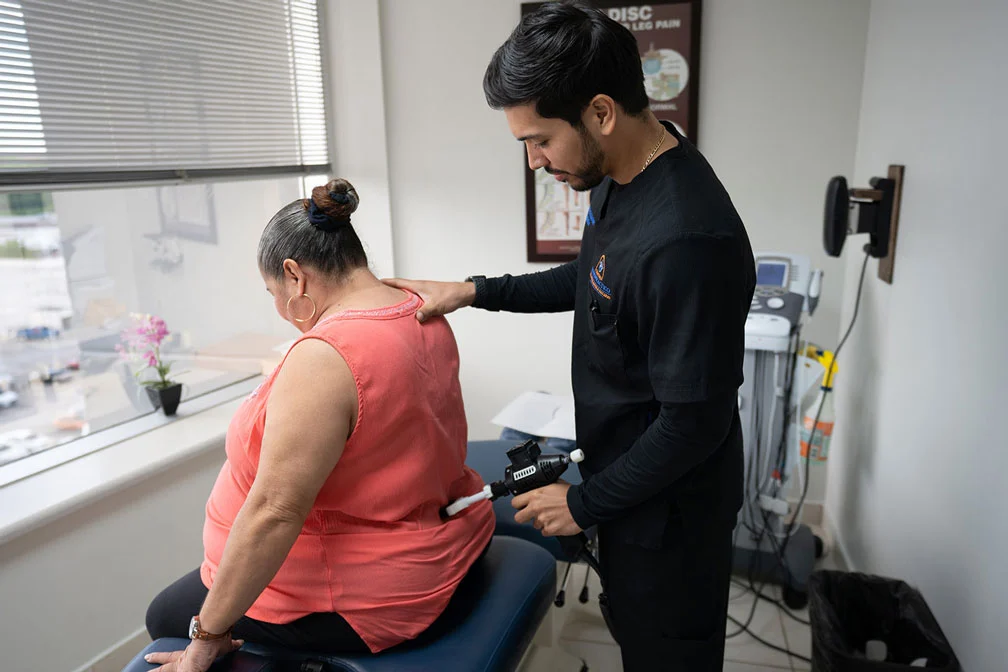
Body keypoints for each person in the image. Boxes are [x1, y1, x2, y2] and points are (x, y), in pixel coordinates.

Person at [385, 3, 756, 670]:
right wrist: (475, 291)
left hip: (670, 522)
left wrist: (582, 504)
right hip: (626, 488)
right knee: (628, 632)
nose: (534, 161)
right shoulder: (624, 177)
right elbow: (596, 278)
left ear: (602, 112)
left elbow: (693, 426)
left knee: (664, 654)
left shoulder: (687, 238)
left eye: (540, 140)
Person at [143, 179, 495, 672]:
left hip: (367, 593)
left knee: (166, 613)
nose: (279, 309)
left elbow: (274, 511)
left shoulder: (326, 358)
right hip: (433, 546)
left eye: (273, 292)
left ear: (294, 275)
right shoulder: (421, 309)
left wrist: (208, 636)